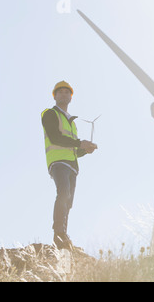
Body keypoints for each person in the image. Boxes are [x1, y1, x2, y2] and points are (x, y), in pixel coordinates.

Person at [41, 80, 98, 250]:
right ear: (54, 96)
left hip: (72, 166)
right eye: (60, 92)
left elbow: (73, 149)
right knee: (63, 193)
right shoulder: (50, 114)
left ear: (71, 97)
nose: (64, 94)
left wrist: (85, 150)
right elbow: (55, 138)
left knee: (69, 202)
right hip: (58, 162)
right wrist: (80, 143)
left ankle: (63, 235)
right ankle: (58, 234)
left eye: (67, 92)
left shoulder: (72, 122)